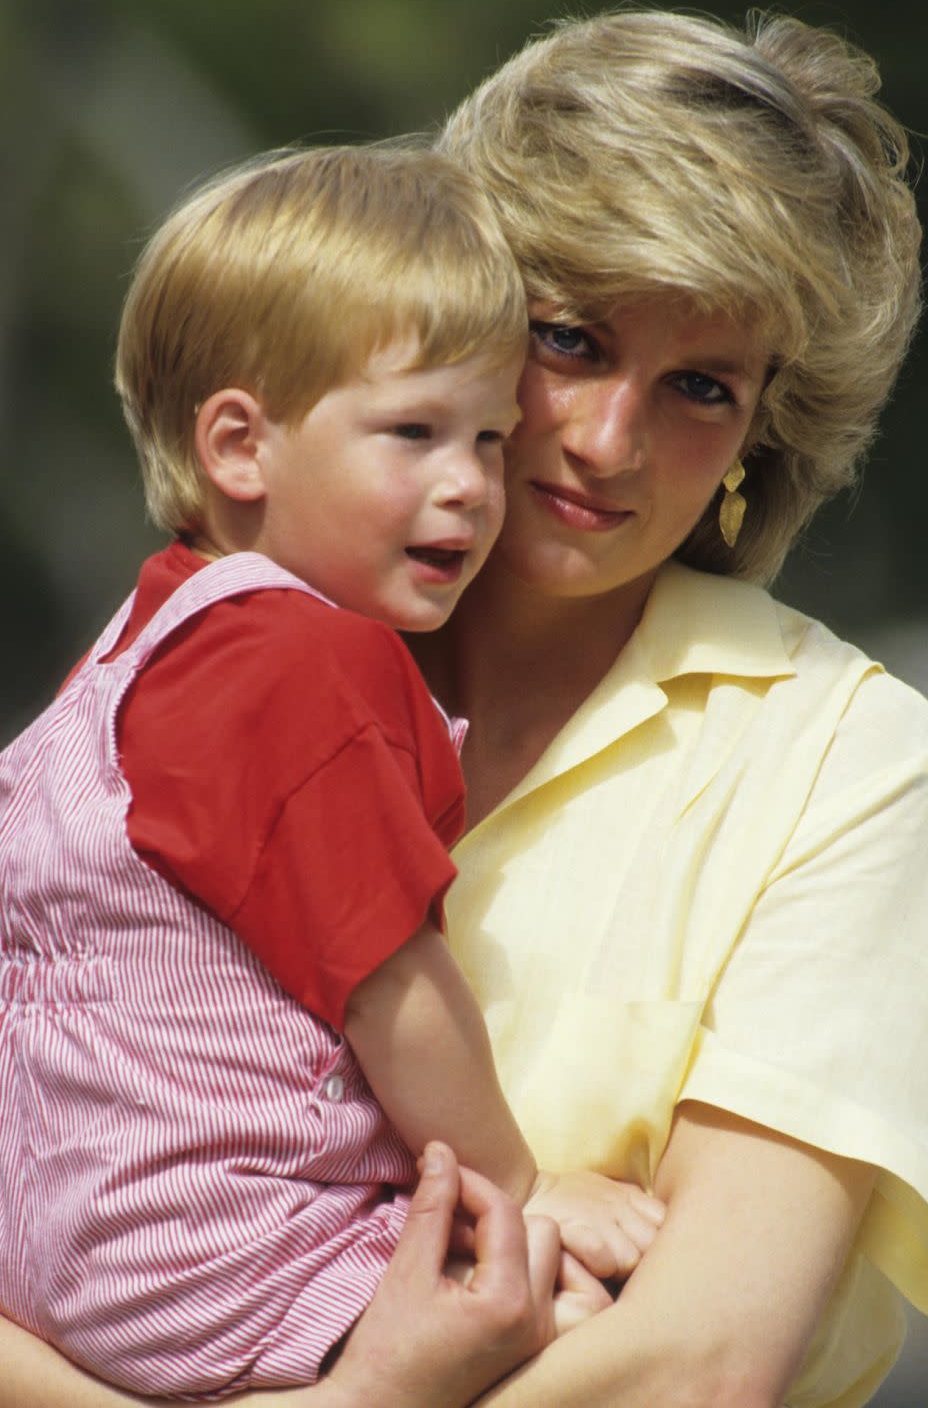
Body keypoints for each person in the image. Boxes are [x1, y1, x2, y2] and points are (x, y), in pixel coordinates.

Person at [2, 5, 928, 1408]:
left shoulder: (848, 757)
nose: (606, 438)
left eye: (701, 385)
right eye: (569, 338)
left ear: (767, 435)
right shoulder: (211, 652)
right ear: (447, 306)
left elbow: (696, 1364)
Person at [0, 142, 659, 1400]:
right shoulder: (305, 662)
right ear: (240, 446)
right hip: (225, 1259)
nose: (471, 486)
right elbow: (390, 986)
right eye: (414, 432)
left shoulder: (134, 651)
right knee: (584, 1323)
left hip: (54, 1261)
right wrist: (524, 1187)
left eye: (490, 435)